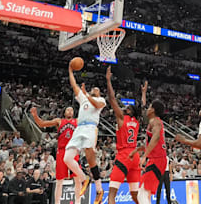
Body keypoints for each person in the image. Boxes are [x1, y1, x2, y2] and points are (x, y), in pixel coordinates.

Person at [64, 60, 106, 203]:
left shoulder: (100, 100)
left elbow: (96, 104)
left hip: (90, 128)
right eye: (92, 88)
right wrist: (70, 70)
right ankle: (84, 179)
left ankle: (99, 190)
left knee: (90, 157)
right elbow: (74, 85)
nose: (95, 89)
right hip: (79, 128)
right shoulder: (83, 98)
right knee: (67, 158)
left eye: (96, 89)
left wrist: (87, 95)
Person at [104, 67, 141, 204]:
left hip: (124, 155)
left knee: (112, 194)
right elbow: (142, 106)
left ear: (130, 112)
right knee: (136, 196)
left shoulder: (121, 117)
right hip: (135, 156)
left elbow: (111, 98)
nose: (125, 107)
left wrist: (108, 80)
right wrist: (142, 93)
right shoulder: (136, 121)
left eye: (128, 108)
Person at [30, 107, 77, 184]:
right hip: (62, 150)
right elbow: (42, 124)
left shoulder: (77, 121)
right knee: (61, 177)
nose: (70, 111)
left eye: (72, 110)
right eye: (68, 110)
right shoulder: (59, 121)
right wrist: (35, 116)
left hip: (73, 150)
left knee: (75, 175)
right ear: (64, 112)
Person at [138, 98, 167, 204]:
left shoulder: (156, 122)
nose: (147, 109)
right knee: (146, 193)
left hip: (157, 160)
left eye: (150, 107)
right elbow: (143, 111)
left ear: (153, 110)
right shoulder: (153, 121)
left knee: (142, 194)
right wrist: (144, 95)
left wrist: (144, 156)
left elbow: (156, 138)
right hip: (157, 159)